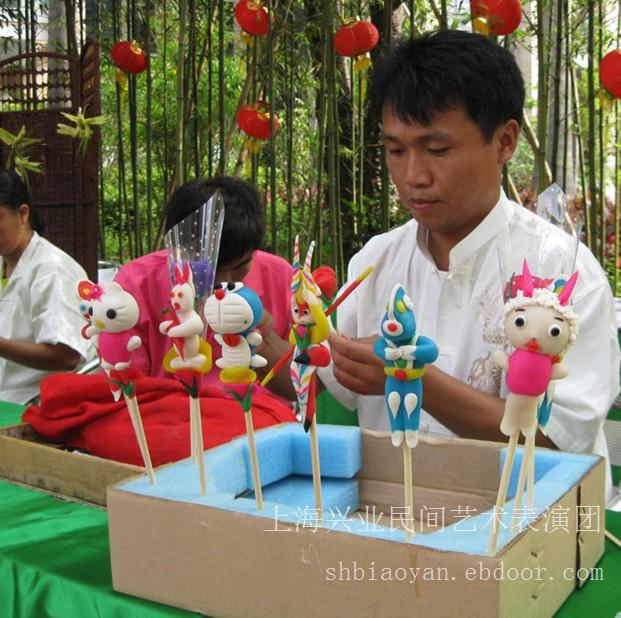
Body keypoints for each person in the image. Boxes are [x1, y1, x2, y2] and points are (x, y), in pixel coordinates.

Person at [325, 30, 620, 498]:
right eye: (396, 150)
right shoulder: (375, 262)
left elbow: (554, 440)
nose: (412, 176)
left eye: (437, 150)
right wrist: (271, 334)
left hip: (528, 532)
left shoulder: (561, 274)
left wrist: (409, 376)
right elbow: (335, 382)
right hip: (396, 519)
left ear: (504, 142)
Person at [114, 176, 296, 399]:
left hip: (260, 425)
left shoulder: (280, 276)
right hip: (168, 421)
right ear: (176, 248)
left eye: (240, 266)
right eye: (206, 269)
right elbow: (128, 391)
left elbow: (298, 389)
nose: (223, 282)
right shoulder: (135, 285)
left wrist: (262, 337)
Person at [0, 169, 93, 403]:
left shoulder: (52, 269)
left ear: (22, 214)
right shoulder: (5, 261)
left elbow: (68, 355)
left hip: (37, 403)